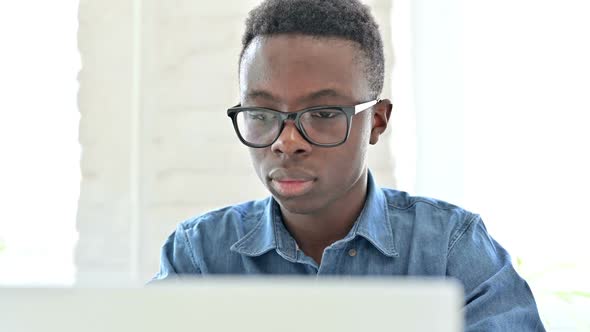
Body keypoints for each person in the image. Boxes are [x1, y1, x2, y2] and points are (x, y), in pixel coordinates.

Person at [152, 0, 545, 330]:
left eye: (322, 113)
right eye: (262, 112)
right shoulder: (198, 255)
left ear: (377, 121)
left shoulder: (451, 250)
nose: (287, 142)